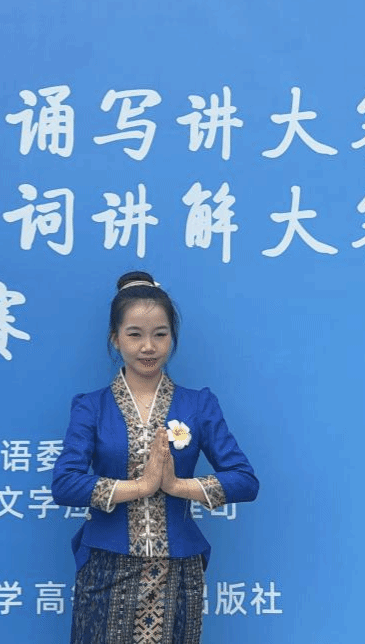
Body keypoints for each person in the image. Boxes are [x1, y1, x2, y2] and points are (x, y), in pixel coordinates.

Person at [51, 271, 258, 644]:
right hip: (106, 565)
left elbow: (245, 480)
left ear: (172, 338)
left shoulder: (198, 405)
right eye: (135, 334)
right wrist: (141, 486)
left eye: (160, 334)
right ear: (115, 338)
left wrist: (176, 485)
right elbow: (65, 484)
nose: (148, 347)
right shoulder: (92, 407)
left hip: (178, 569)